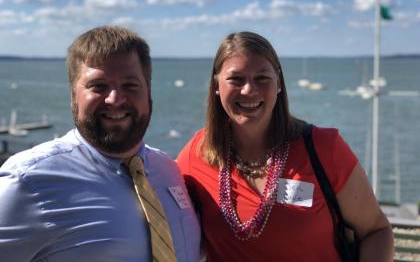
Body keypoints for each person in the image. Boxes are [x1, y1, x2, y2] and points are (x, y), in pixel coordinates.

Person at [177, 31, 394, 262]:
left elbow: (376, 231)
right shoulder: (197, 153)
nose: (249, 90)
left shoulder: (323, 148)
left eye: (262, 78)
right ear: (217, 85)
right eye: (236, 79)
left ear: (278, 83)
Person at [0, 26, 200, 262]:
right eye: (98, 86)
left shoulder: (168, 169)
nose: (115, 99)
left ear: (148, 92)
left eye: (130, 85)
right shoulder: (28, 182)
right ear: (73, 95)